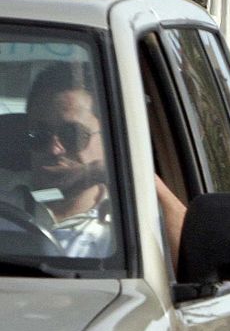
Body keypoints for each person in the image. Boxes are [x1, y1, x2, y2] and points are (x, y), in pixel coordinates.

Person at [18, 63, 186, 260]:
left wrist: (121, 170)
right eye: (38, 135)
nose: (54, 149)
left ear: (108, 137)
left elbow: (191, 260)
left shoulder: (132, 216)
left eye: (73, 135)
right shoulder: (5, 193)